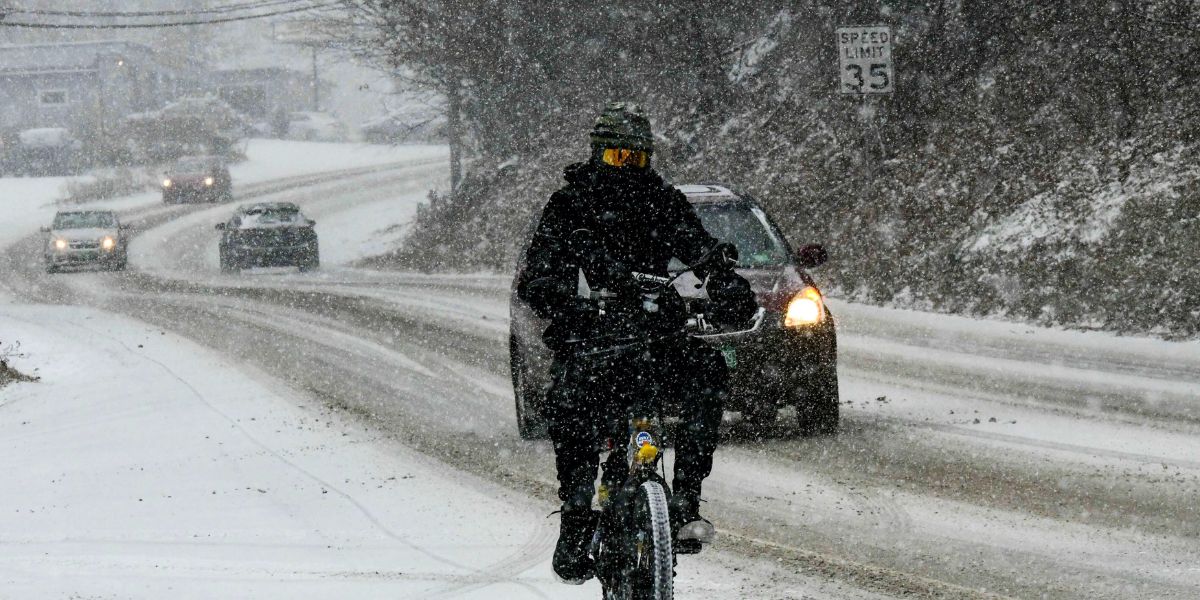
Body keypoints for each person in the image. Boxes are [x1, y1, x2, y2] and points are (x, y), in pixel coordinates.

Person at [516, 101, 758, 584]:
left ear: (648, 158)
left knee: (707, 370)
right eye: (616, 158)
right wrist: (570, 304)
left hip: (654, 335)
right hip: (592, 340)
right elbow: (537, 276)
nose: (627, 168)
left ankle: (686, 497)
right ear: (597, 155)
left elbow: (699, 248)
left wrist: (725, 283)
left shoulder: (663, 201)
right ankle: (577, 517)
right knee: (570, 405)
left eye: (637, 158)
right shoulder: (571, 205)